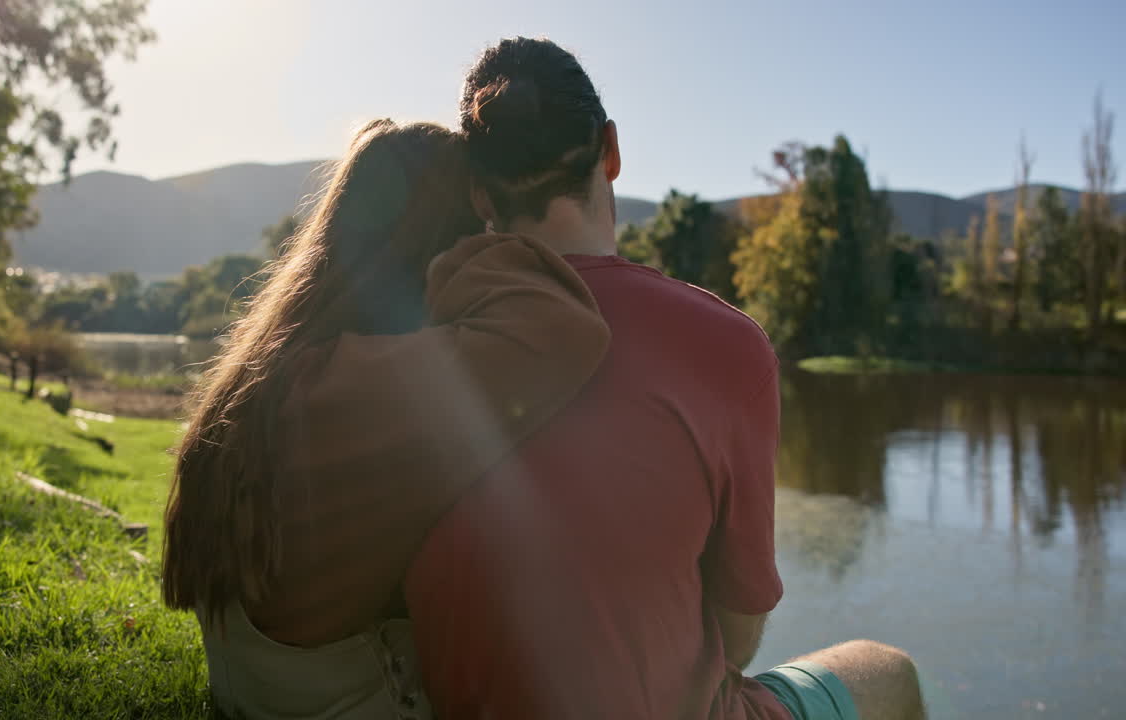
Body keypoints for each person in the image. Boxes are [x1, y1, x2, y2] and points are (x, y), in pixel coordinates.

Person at [404, 37, 927, 720]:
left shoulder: (409, 348)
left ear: (481, 192)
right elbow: (738, 635)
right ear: (611, 151)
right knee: (890, 672)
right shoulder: (726, 346)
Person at [160, 119, 611, 720]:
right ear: (449, 234)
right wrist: (485, 240)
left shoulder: (280, 369)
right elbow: (566, 331)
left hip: (257, 691)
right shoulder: (364, 387)